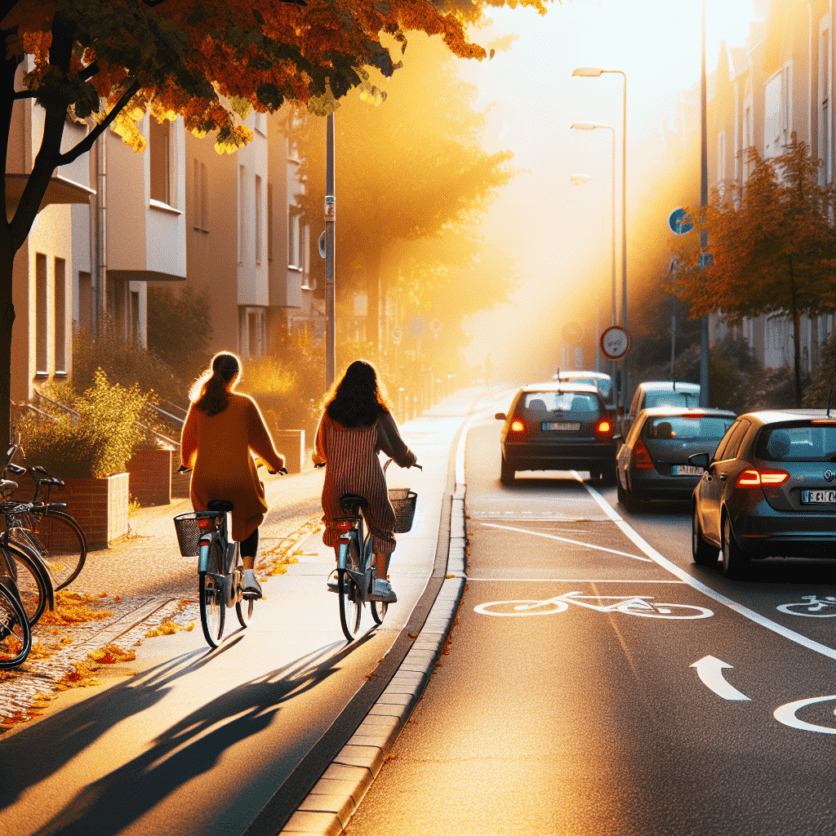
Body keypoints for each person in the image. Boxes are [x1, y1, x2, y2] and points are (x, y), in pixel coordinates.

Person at [180, 351, 287, 599]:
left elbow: (187, 451)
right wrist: (276, 463)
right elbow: (262, 444)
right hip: (239, 483)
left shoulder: (198, 406)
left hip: (205, 484)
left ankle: (212, 565)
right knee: (250, 518)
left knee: (207, 521)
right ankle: (249, 577)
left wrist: (186, 464)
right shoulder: (244, 404)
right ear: (236, 376)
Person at [312, 360, 418, 604]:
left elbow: (320, 450)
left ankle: (342, 570)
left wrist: (318, 459)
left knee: (338, 523)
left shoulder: (331, 412)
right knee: (383, 525)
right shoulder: (378, 413)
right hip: (369, 482)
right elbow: (397, 447)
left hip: (336, 484)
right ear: (373, 385)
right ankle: (380, 582)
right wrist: (409, 459)